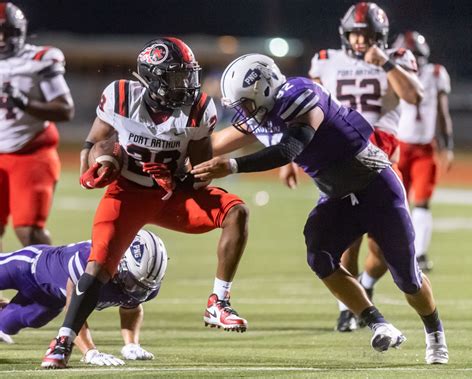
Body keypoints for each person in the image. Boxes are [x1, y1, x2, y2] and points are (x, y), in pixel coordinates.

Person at [193, 53, 448, 364]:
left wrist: (232, 166)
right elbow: (213, 144)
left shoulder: (300, 94)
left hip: (376, 186)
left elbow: (290, 148)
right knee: (319, 255)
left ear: (265, 89)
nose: (243, 112)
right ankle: (379, 323)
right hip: (338, 196)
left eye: (246, 103)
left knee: (407, 277)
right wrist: (172, 155)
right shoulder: (258, 115)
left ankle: (435, 333)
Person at [42, 37, 249, 369]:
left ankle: (218, 303)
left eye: (188, 76)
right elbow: (94, 144)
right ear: (153, 78)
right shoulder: (123, 98)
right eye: (176, 77)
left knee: (235, 212)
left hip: (171, 196)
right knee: (97, 268)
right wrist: (99, 167)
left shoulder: (197, 109)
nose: (186, 85)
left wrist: (180, 175)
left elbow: (200, 173)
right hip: (128, 193)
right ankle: (63, 340)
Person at [279, 2, 424, 332]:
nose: (360, 41)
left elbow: (414, 96)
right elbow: (303, 108)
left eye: (367, 35)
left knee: (384, 246)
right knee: (345, 241)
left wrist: (386, 63)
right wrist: (290, 155)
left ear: (381, 36)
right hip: (336, 152)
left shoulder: (398, 58)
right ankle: (348, 306)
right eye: (355, 35)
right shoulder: (326, 60)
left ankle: (366, 284)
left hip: (381, 151)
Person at [1, 229, 165, 366]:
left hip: (51, 299)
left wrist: (131, 344)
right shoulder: (90, 263)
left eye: (140, 285)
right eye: (131, 281)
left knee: (7, 325)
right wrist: (90, 351)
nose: (134, 289)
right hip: (27, 266)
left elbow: (131, 307)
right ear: (120, 260)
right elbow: (75, 311)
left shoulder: (145, 283)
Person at [0, 2, 74, 250]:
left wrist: (24, 102)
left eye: (6, 31)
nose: (1, 38)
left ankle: (48, 284)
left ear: (18, 31)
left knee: (29, 232)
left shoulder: (37, 60)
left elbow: (65, 109)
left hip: (30, 152)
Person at [392, 31, 454, 272]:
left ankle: (420, 253)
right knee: (398, 202)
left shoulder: (436, 74)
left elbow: (442, 113)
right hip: (397, 147)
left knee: (422, 202)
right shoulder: (393, 75)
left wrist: (447, 145)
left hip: (424, 148)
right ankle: (400, 250)